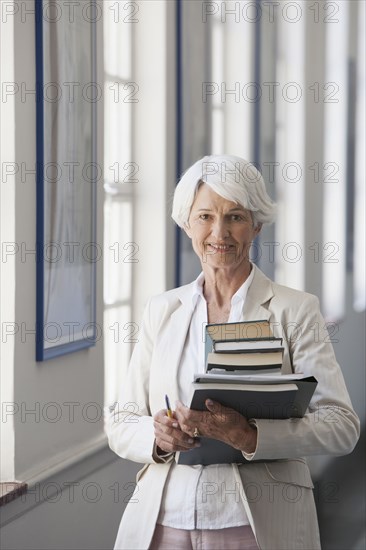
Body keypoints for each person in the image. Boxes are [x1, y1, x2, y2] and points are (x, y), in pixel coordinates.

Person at [106, 155, 360, 550]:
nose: (219, 232)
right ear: (187, 223)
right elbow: (121, 422)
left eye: (235, 217)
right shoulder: (163, 310)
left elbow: (342, 426)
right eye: (205, 216)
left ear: (256, 225)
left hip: (255, 522)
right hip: (164, 518)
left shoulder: (295, 310)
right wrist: (158, 438)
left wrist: (250, 435)